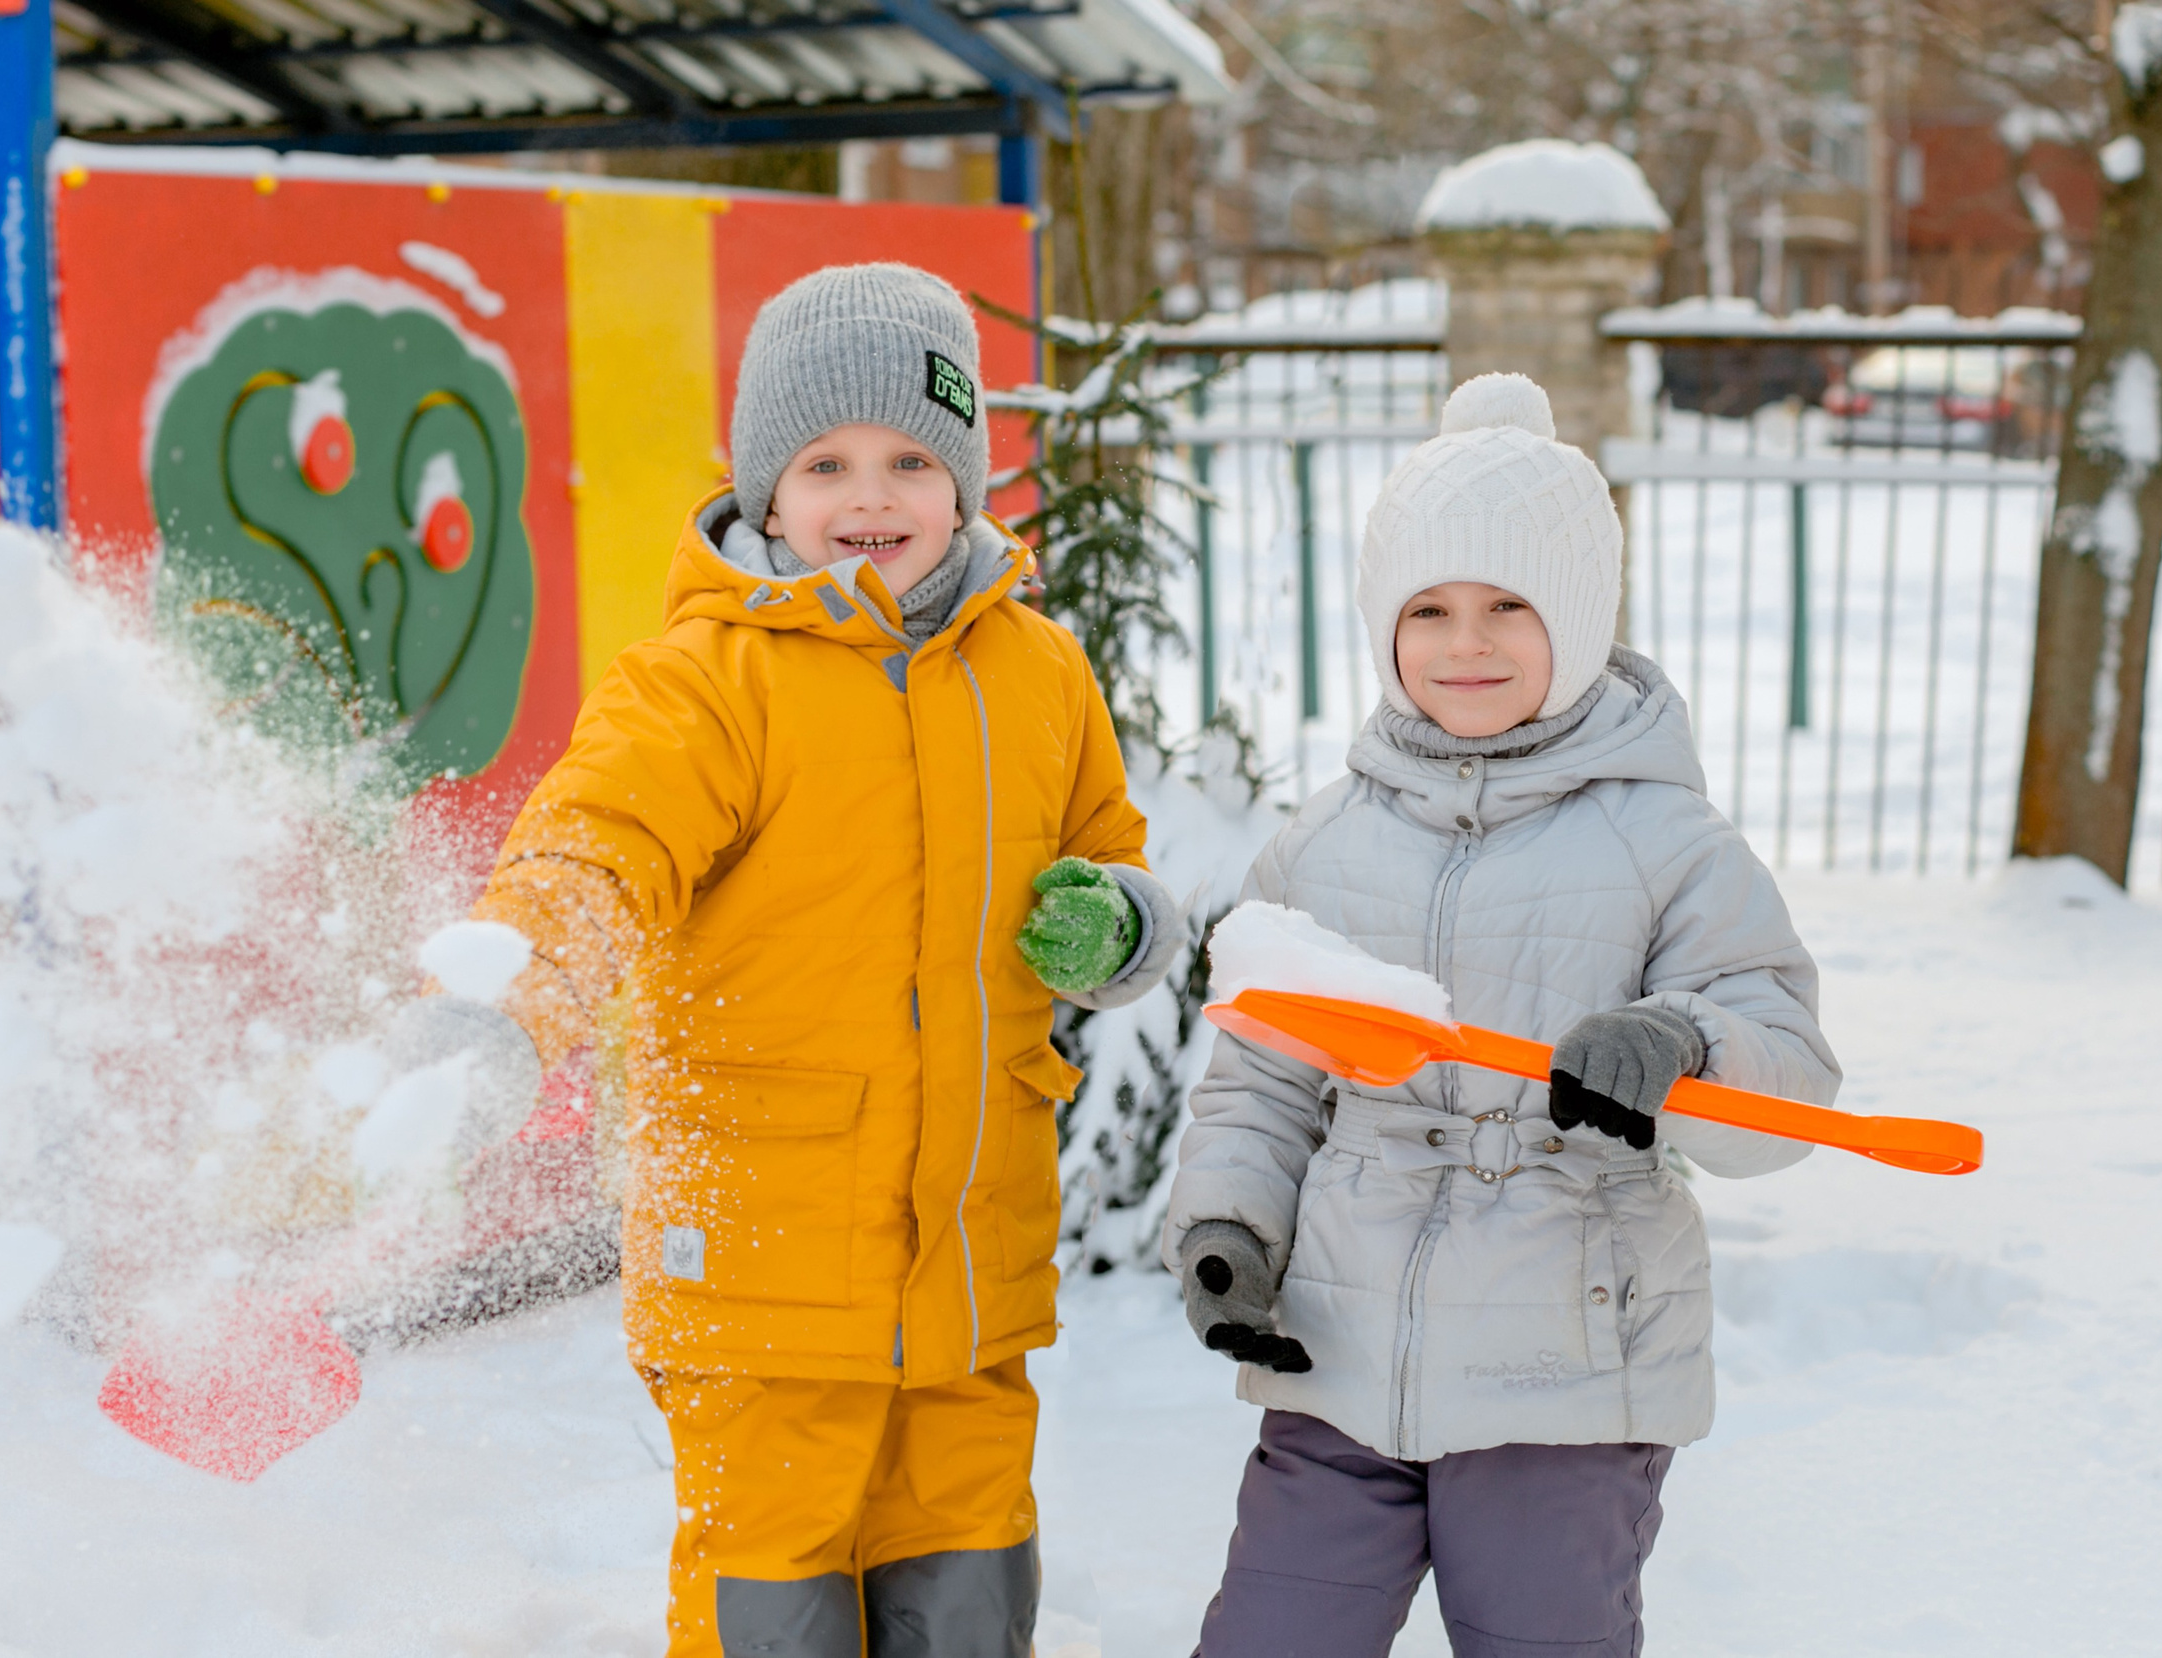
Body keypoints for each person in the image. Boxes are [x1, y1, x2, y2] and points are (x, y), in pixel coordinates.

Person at [461, 263, 1187, 1658]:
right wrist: (505, 1001)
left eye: (914, 459)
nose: (872, 499)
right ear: (767, 489)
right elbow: (593, 854)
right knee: (771, 1597)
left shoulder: (1037, 672)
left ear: (967, 478)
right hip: (763, 1273)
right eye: (828, 462)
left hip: (970, 1268)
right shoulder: (704, 682)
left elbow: (1110, 848)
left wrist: (1118, 918)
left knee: (968, 1589)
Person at [1165, 372, 1840, 1657]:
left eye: (1507, 607)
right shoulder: (1321, 842)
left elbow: (1787, 1084)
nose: (1464, 642)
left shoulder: (1667, 840)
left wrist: (1683, 1041)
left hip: (1568, 1375)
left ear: (1575, 622)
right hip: (1339, 1359)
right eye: (1427, 608)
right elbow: (1261, 1081)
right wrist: (1225, 1225)